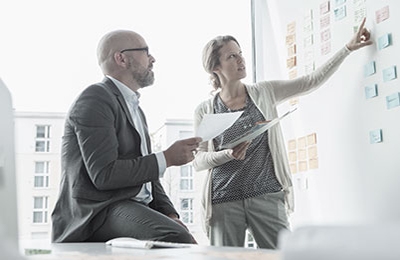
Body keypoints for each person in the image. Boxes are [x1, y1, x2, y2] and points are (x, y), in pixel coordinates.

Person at [193, 18, 373, 249]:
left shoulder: (264, 92)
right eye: (231, 56)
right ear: (215, 68)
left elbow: (310, 81)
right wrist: (227, 154)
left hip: (266, 194)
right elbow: (199, 161)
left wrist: (347, 48)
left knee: (281, 255)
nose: (241, 60)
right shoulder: (205, 110)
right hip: (223, 201)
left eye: (240, 53)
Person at [51, 29, 202, 243]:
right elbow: (104, 174)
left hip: (129, 206)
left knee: (178, 230)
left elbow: (147, 175)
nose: (153, 59)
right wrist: (167, 158)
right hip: (98, 212)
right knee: (175, 237)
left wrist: (169, 213)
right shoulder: (95, 98)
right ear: (121, 58)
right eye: (145, 51)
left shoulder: (136, 109)